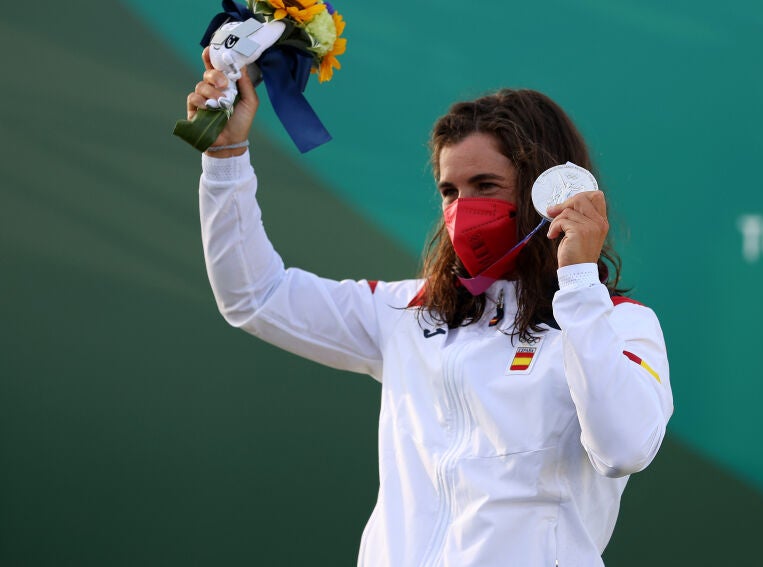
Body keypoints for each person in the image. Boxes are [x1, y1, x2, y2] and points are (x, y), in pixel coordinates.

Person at [187, 47, 673, 566]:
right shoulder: (410, 311)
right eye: (449, 191)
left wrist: (577, 283)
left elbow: (623, 449)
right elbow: (255, 297)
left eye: (485, 186)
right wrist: (224, 158)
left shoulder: (617, 322)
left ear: (545, 192)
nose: (463, 209)